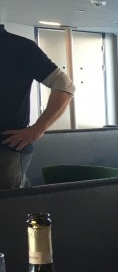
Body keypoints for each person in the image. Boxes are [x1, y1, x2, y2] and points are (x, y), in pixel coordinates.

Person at [0, 23, 75, 189]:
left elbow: (64, 84)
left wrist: (38, 128)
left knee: (8, 209)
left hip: (6, 148)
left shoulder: (18, 47)